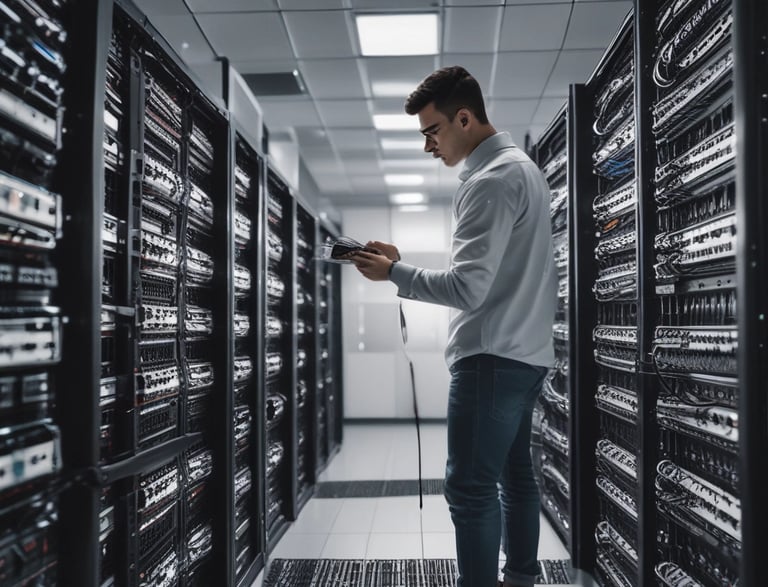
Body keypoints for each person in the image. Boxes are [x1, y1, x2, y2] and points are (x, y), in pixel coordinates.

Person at [347, 66, 557, 587]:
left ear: (464, 118)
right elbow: (490, 276)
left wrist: (395, 273)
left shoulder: (489, 182)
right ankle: (522, 579)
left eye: (432, 131)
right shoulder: (523, 169)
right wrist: (402, 265)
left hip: (491, 358)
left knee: (469, 488)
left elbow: (468, 290)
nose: (428, 146)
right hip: (525, 354)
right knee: (514, 476)